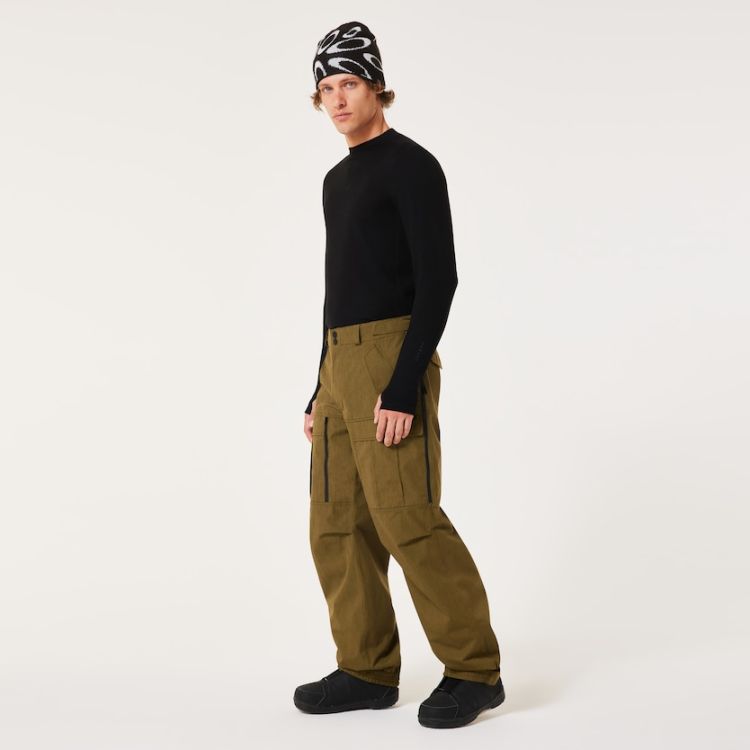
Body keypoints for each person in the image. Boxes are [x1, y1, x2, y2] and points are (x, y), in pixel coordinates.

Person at [294, 20, 505, 729]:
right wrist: (320, 385)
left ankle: (474, 671)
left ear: (377, 86)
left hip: (392, 355)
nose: (337, 99)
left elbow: (439, 280)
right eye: (326, 87)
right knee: (336, 522)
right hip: (339, 361)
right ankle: (365, 668)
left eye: (349, 83)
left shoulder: (412, 166)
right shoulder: (336, 181)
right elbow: (341, 287)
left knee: (408, 518)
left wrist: (404, 382)